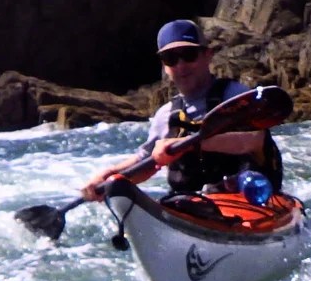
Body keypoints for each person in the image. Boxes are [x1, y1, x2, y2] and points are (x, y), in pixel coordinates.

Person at [81, 19, 283, 200]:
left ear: (207, 55)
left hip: (248, 202)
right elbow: (147, 162)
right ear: (164, 66)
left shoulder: (235, 96)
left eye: (188, 55)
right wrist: (111, 176)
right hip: (195, 207)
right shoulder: (165, 116)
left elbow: (253, 140)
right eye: (171, 59)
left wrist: (186, 144)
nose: (181, 66)